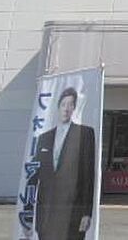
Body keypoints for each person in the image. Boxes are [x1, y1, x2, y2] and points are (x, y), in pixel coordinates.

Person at [27, 87, 95, 240]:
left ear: (74, 108)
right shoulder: (44, 138)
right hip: (46, 213)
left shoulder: (84, 134)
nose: (66, 108)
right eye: (63, 104)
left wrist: (86, 213)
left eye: (70, 104)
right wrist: (28, 213)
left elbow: (88, 176)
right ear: (58, 107)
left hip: (72, 211)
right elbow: (33, 176)